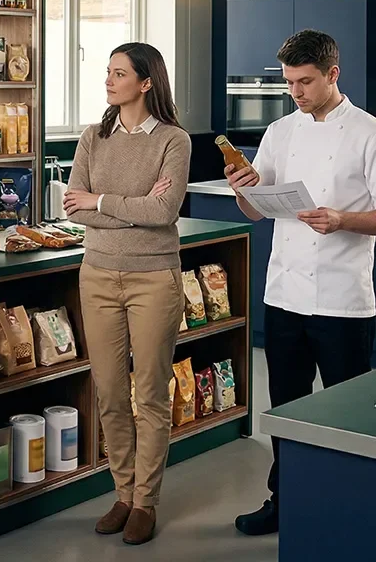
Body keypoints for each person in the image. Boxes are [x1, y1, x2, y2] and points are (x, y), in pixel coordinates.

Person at [227, 30, 376, 536]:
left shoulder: (367, 131)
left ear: (334, 74)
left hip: (342, 300)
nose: (296, 92)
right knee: (286, 408)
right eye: (290, 82)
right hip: (284, 294)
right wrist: (242, 190)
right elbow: (258, 211)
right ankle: (284, 500)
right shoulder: (280, 131)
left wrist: (341, 220)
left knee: (345, 412)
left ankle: (350, 508)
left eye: (306, 82)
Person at [63, 42, 190, 546]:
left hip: (154, 278)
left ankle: (146, 502)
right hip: (96, 275)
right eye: (107, 73)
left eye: (119, 74)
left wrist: (103, 201)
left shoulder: (174, 141)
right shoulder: (94, 137)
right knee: (110, 391)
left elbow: (164, 214)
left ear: (146, 83)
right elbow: (75, 205)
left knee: (150, 395)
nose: (109, 81)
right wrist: (127, 205)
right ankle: (122, 491)